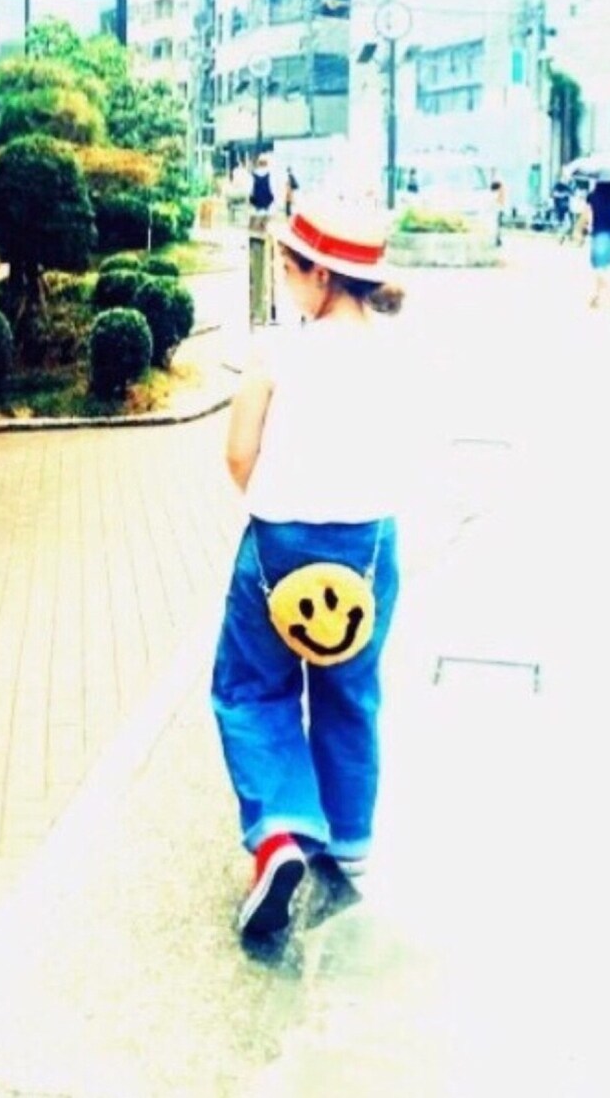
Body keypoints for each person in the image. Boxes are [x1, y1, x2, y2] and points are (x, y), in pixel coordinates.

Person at [212, 196, 411, 946]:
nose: (286, 281)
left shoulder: (279, 353)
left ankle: (280, 833)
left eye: (290, 268)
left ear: (320, 275)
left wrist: (276, 503)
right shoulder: (398, 353)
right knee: (349, 688)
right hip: (367, 546)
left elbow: (239, 453)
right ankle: (349, 839)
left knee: (251, 689)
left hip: (279, 548)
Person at [581, 179, 610, 308]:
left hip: (600, 234)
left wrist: (583, 229)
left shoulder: (593, 196)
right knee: (604, 269)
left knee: (599, 268)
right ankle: (597, 297)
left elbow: (587, 215)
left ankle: (599, 295)